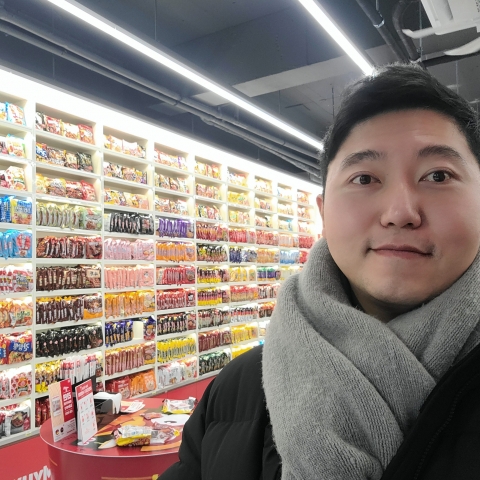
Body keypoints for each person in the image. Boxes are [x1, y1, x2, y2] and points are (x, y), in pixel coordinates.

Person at [159, 63, 480, 480]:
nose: (401, 212)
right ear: (324, 214)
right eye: (365, 178)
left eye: (438, 175)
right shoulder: (235, 392)